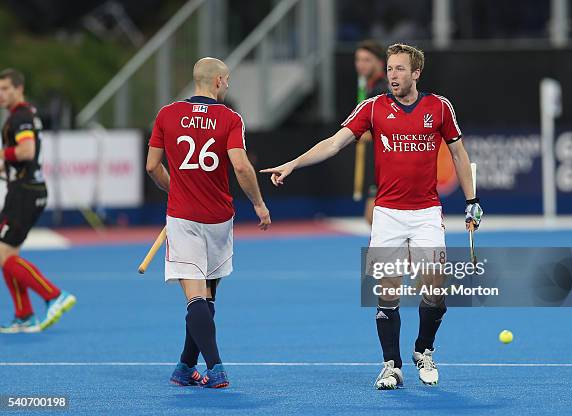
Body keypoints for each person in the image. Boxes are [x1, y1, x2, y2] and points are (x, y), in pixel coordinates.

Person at [261, 44, 483, 389]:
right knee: (388, 290)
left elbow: (458, 152)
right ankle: (391, 365)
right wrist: (294, 162)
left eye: (399, 69)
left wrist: (472, 200)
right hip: (387, 215)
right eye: (390, 68)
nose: (392, 75)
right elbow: (333, 144)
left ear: (415, 73)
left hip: (426, 212)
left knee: (435, 288)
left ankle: (423, 349)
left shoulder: (439, 107)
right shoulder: (374, 107)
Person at [146, 57, 271, 388]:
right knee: (207, 297)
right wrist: (259, 203)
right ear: (218, 82)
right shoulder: (230, 119)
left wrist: (176, 188)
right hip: (218, 220)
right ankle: (196, 367)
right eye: (227, 80)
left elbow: (151, 166)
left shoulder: (167, 115)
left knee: (196, 299)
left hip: (183, 219)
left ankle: (201, 367)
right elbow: (242, 168)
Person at [0, 69, 76, 334]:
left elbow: (26, 151)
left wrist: (3, 154)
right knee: (8, 255)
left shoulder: (19, 117)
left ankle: (54, 295)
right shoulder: (27, 114)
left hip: (24, 193)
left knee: (5, 256)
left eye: (6, 88)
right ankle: (24, 315)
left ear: (19, 89)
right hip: (26, 189)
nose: (1, 94)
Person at [354, 40, 388, 225]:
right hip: (380, 162)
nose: (361, 64)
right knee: (373, 218)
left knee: (375, 218)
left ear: (379, 63)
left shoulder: (381, 89)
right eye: (358, 59)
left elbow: (379, 127)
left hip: (389, 163)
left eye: (367, 60)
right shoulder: (369, 87)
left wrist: (359, 132)